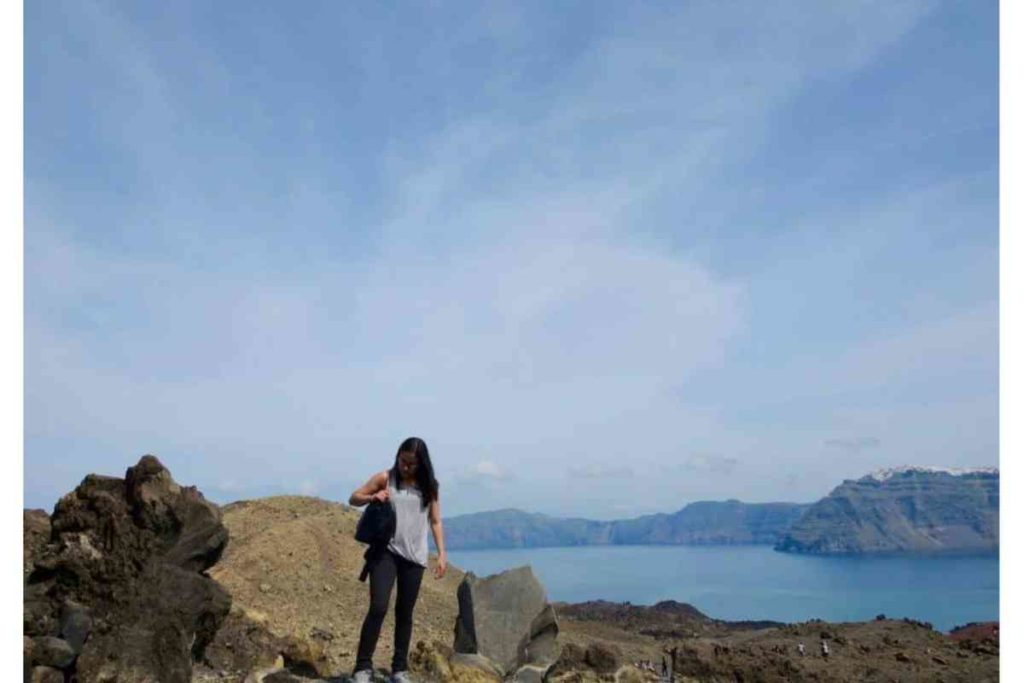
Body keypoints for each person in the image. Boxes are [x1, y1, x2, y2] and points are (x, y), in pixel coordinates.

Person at [350, 437, 447, 683]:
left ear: (421, 464)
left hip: (415, 557)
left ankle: (399, 669)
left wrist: (442, 554)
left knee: (405, 613)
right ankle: (362, 668)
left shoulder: (430, 486)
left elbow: (435, 521)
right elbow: (354, 497)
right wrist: (372, 497)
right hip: (386, 552)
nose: (405, 467)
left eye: (411, 464)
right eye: (403, 461)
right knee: (379, 606)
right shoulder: (385, 478)